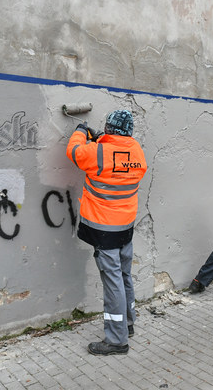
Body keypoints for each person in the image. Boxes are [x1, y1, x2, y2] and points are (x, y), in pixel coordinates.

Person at [66, 109, 147, 356]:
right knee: (124, 276)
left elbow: (74, 152)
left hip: (104, 230)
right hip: (125, 227)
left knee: (113, 283)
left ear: (109, 128)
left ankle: (116, 340)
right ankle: (128, 324)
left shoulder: (96, 153)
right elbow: (116, 155)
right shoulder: (137, 152)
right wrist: (103, 138)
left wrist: (81, 131)